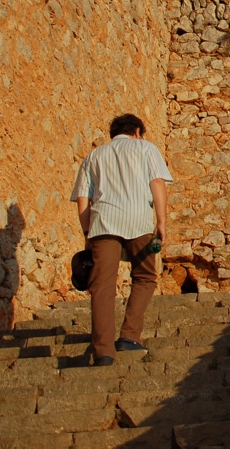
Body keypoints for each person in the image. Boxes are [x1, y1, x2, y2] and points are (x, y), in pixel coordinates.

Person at [70, 113, 172, 366]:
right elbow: (157, 183)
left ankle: (103, 351)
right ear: (137, 131)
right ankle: (129, 336)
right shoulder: (146, 148)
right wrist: (161, 221)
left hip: (103, 223)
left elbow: (84, 199)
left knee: (101, 287)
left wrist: (87, 234)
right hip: (138, 221)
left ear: (114, 133)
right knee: (145, 277)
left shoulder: (94, 156)